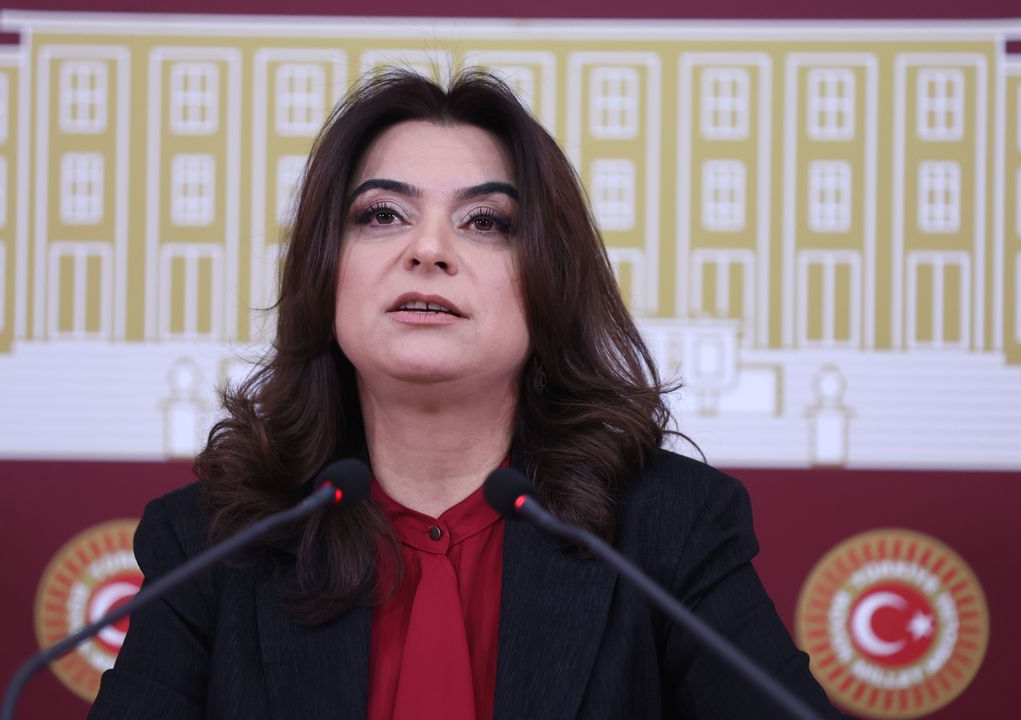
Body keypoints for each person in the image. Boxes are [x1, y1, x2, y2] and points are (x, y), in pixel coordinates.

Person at [89, 68, 849, 719]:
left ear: (548, 281)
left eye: (485, 221)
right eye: (382, 214)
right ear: (325, 273)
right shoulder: (214, 541)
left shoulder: (668, 529)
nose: (428, 249)